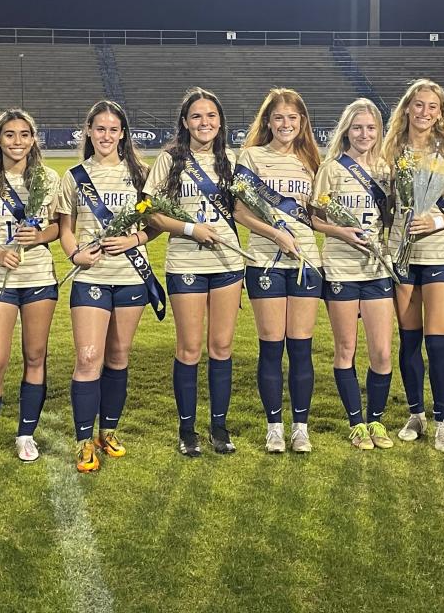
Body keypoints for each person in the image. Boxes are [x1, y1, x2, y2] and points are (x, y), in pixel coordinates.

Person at [57, 100, 163, 473]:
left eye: (113, 129)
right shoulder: (73, 176)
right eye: (99, 128)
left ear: (123, 133)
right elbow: (65, 229)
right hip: (91, 278)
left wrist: (133, 241)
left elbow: (156, 225)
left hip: (132, 276)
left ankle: (108, 430)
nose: (106, 135)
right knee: (88, 359)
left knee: (118, 358)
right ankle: (84, 440)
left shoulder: (141, 174)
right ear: (88, 131)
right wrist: (75, 256)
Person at [143, 88, 243, 457]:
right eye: (197, 116)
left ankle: (219, 426)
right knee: (188, 348)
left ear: (220, 121)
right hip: (186, 261)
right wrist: (190, 229)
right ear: (185, 122)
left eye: (211, 116)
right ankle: (187, 430)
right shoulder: (169, 160)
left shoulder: (231, 160)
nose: (205, 123)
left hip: (228, 264)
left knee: (221, 347)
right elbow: (149, 211)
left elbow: (245, 210)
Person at [0, 109, 61, 462]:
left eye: (24, 135)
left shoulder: (49, 178)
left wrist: (38, 236)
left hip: (38, 277)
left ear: (33, 139)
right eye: (9, 135)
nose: (17, 142)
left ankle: (25, 434)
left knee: (35, 357)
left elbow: (60, 228)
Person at [382, 79, 444, 452]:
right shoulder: (388, 150)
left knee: (437, 342)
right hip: (399, 253)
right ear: (407, 108)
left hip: (439, 252)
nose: (424, 112)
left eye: (432, 107)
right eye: (418, 105)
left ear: (441, 112)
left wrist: (435, 221)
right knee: (409, 340)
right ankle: (416, 413)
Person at [234, 88, 322, 454]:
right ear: (267, 121)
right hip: (264, 261)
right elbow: (239, 211)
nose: (286, 124)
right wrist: (275, 234)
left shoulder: (312, 160)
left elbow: (318, 216)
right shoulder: (251, 157)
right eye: (279, 118)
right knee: (271, 348)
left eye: (293, 118)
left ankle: (300, 427)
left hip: (306, 263)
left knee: (301, 349)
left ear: (302, 122)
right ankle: (274, 427)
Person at [311, 98, 396, 451]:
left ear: (379, 131)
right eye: (358, 127)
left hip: (377, 269)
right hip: (341, 268)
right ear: (347, 130)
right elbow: (314, 218)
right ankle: (356, 423)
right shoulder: (331, 168)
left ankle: (376, 420)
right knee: (345, 349)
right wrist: (340, 232)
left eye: (371, 127)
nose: (364, 134)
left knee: (382, 353)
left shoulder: (389, 170)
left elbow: (393, 218)